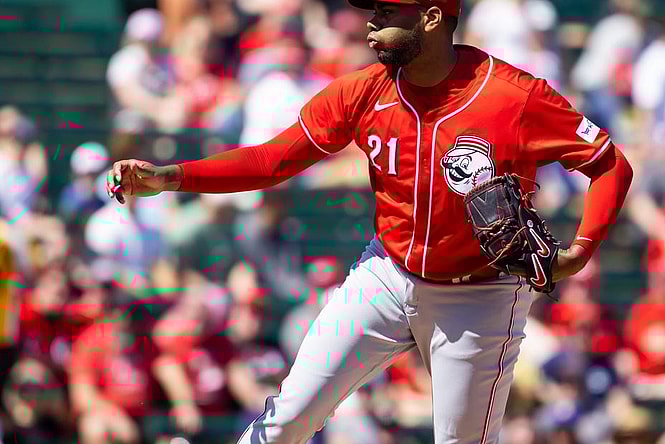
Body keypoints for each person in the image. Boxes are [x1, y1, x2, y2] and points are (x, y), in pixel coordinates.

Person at [105, 1, 633, 442]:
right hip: (387, 271)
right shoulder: (364, 90)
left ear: (431, 17)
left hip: (480, 294)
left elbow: (609, 163)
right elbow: (271, 160)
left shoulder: (512, 96)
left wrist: (581, 250)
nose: (370, 23)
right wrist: (170, 177)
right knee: (291, 415)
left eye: (386, 11)